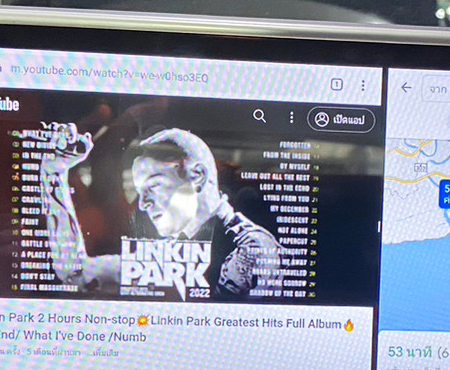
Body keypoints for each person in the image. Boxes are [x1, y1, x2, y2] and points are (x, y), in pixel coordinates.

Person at [39, 122, 286, 298]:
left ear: (197, 176)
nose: (143, 204)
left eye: (154, 186)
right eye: (139, 191)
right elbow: (76, 275)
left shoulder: (251, 248)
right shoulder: (171, 250)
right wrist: (54, 174)